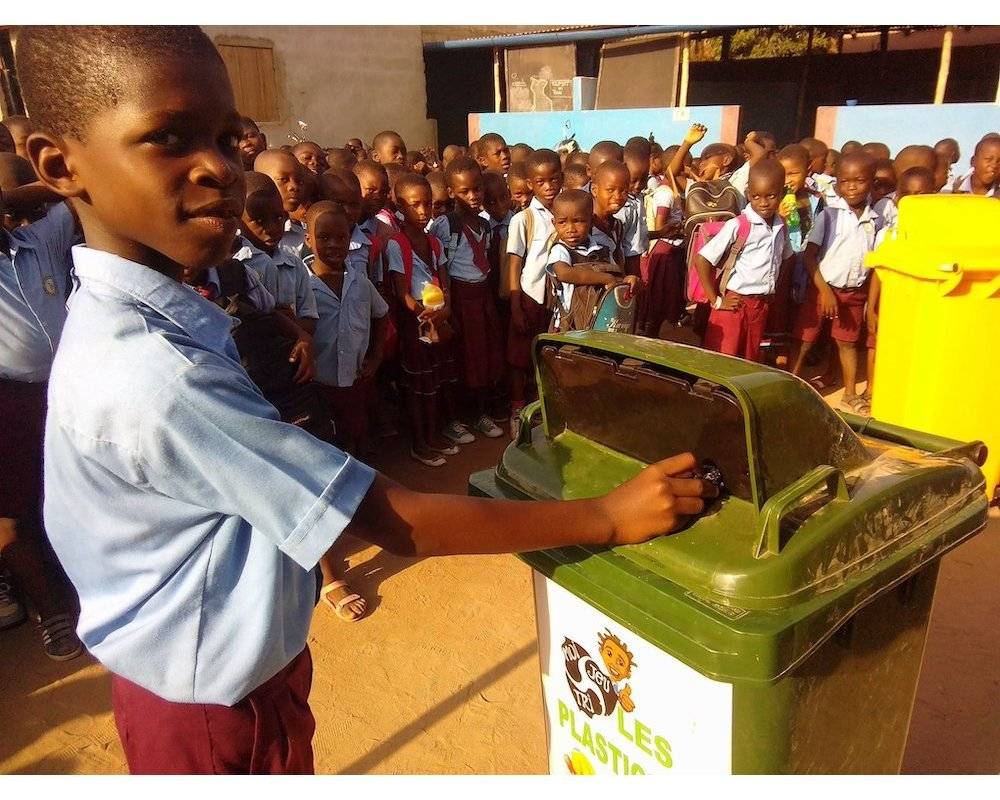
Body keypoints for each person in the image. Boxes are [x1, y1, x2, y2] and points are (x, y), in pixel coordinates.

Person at [17, 26, 716, 775]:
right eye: (168, 139)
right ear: (61, 164)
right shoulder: (153, 374)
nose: (217, 168)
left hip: (214, 679)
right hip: (217, 713)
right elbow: (389, 519)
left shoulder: (145, 310)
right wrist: (604, 516)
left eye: (225, 137)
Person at [0, 188, 84, 659]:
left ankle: (90, 594)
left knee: (77, 496)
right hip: (7, 398)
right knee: (14, 513)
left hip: (68, 387)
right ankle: (53, 612)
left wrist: (15, 191)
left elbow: (71, 191)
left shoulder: (38, 241)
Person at [304, 202, 387, 622]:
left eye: (342, 237)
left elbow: (383, 318)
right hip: (316, 390)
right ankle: (331, 571)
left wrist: (374, 358)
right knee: (320, 469)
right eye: (325, 237)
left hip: (353, 382)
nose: (335, 245)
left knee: (355, 446)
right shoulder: (300, 282)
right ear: (308, 240)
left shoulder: (359, 281)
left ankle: (353, 518)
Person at [790, 152, 883, 414]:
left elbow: (875, 264)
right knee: (805, 339)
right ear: (837, 183)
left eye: (859, 180)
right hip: (822, 290)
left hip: (854, 293)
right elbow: (809, 255)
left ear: (871, 182)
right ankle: (791, 382)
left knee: (847, 343)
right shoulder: (829, 216)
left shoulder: (876, 221)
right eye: (844, 181)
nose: (851, 186)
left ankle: (850, 393)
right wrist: (825, 291)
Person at [385, 172, 461, 466]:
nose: (422, 211)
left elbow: (446, 282)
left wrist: (445, 312)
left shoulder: (434, 243)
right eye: (415, 204)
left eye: (427, 204)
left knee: (437, 382)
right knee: (419, 387)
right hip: (416, 322)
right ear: (399, 205)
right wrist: (427, 316)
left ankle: (435, 433)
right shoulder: (397, 244)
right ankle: (420, 441)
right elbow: (402, 294)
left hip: (437, 317)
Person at [429, 158, 505, 439]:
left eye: (477, 189)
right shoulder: (445, 226)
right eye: (464, 191)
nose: (473, 196)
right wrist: (446, 306)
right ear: (451, 192)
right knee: (459, 359)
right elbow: (440, 268)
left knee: (484, 357)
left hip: (481, 297)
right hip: (458, 299)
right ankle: (455, 418)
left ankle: (481, 413)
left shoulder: (484, 225)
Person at [695, 160, 793, 363]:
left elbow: (787, 258)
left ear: (782, 193)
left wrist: (772, 289)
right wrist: (716, 300)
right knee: (722, 359)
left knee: (749, 359)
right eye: (756, 196)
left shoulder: (781, 226)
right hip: (734, 304)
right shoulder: (738, 225)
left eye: (771, 196)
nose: (763, 202)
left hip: (760, 305)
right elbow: (702, 259)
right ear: (748, 194)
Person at [863, 165, 937, 408]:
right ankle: (872, 391)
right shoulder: (889, 235)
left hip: (921, 307)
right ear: (897, 198)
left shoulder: (936, 236)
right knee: (878, 346)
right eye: (909, 195)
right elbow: (878, 273)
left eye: (923, 195)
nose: (915, 201)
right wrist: (872, 308)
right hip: (891, 303)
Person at [505, 148, 562, 439]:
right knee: (519, 357)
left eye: (554, 179)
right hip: (530, 295)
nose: (549, 186)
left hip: (559, 301)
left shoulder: (568, 211)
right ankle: (517, 409)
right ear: (530, 184)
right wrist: (515, 305)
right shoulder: (523, 219)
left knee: (548, 354)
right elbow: (514, 263)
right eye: (541, 182)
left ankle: (544, 406)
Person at [233, 171, 319, 337]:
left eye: (278, 218)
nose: (271, 228)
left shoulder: (294, 266)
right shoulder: (234, 265)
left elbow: (310, 322)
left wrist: (291, 322)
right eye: (259, 220)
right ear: (238, 220)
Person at [546, 189, 637, 332]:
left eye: (578, 221)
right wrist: (604, 278)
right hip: (570, 324)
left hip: (599, 320)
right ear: (554, 223)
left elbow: (615, 276)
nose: (571, 229)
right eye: (562, 222)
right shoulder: (561, 250)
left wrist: (627, 280)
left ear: (592, 221)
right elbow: (564, 273)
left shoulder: (602, 248)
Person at [255, 148, 312, 260]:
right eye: (283, 179)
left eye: (299, 180)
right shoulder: (245, 233)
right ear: (260, 178)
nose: (294, 186)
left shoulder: (304, 233)